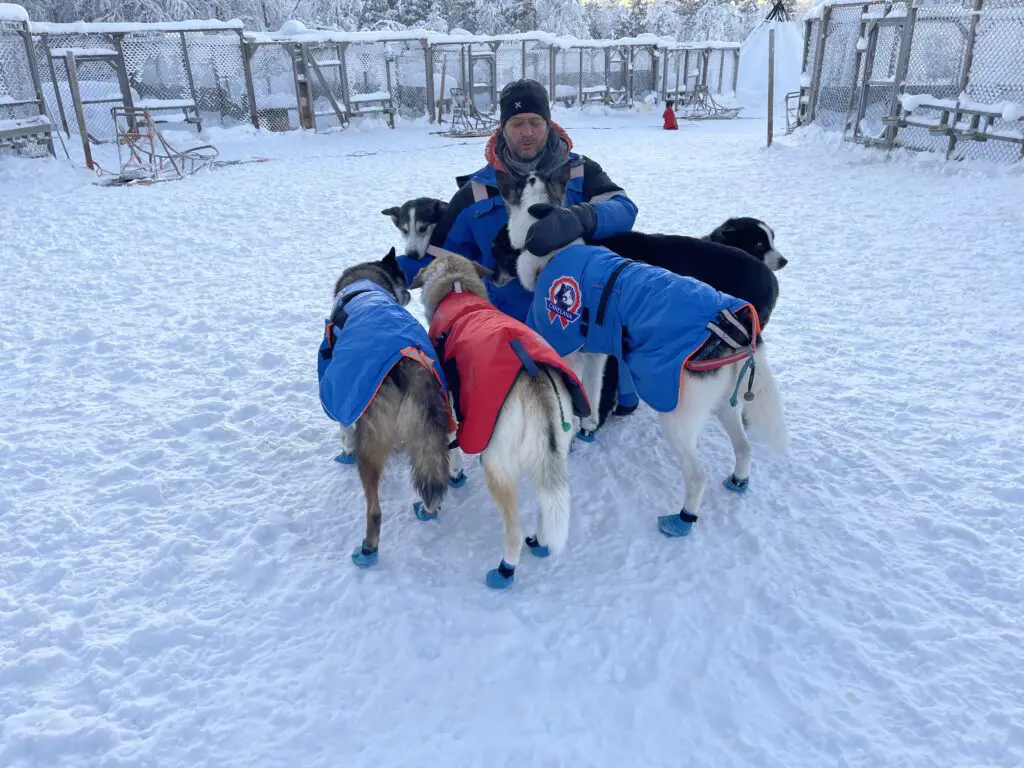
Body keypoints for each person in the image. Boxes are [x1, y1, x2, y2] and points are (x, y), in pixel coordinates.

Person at [397, 78, 641, 416]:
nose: (527, 132)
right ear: (502, 128)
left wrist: (579, 218)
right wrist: (383, 275)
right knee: (520, 415)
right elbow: (438, 255)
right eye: (517, 123)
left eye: (535, 122)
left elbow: (624, 208)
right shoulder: (477, 192)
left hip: (580, 320)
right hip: (512, 327)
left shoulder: (580, 172)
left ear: (548, 123)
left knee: (592, 411)